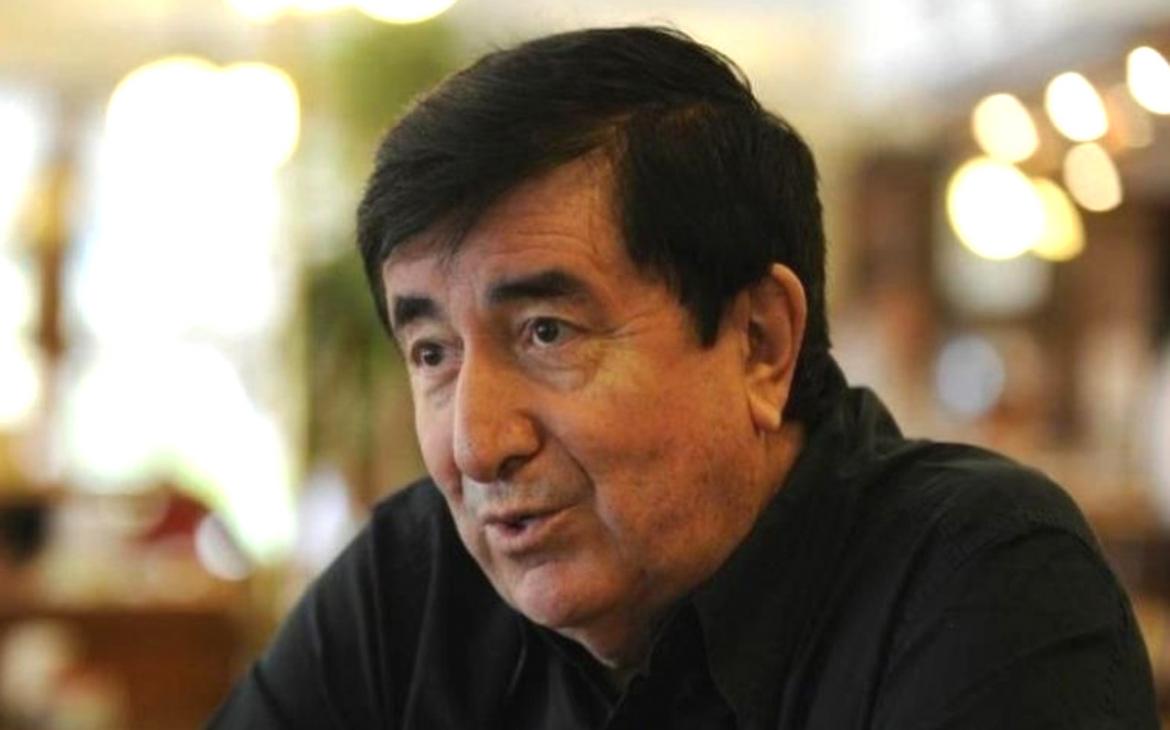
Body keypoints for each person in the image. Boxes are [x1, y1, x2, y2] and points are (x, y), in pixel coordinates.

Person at [211, 26, 1160, 729]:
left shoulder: (979, 581)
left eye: (546, 331)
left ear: (760, 342)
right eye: (432, 353)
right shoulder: (412, 585)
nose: (475, 443)